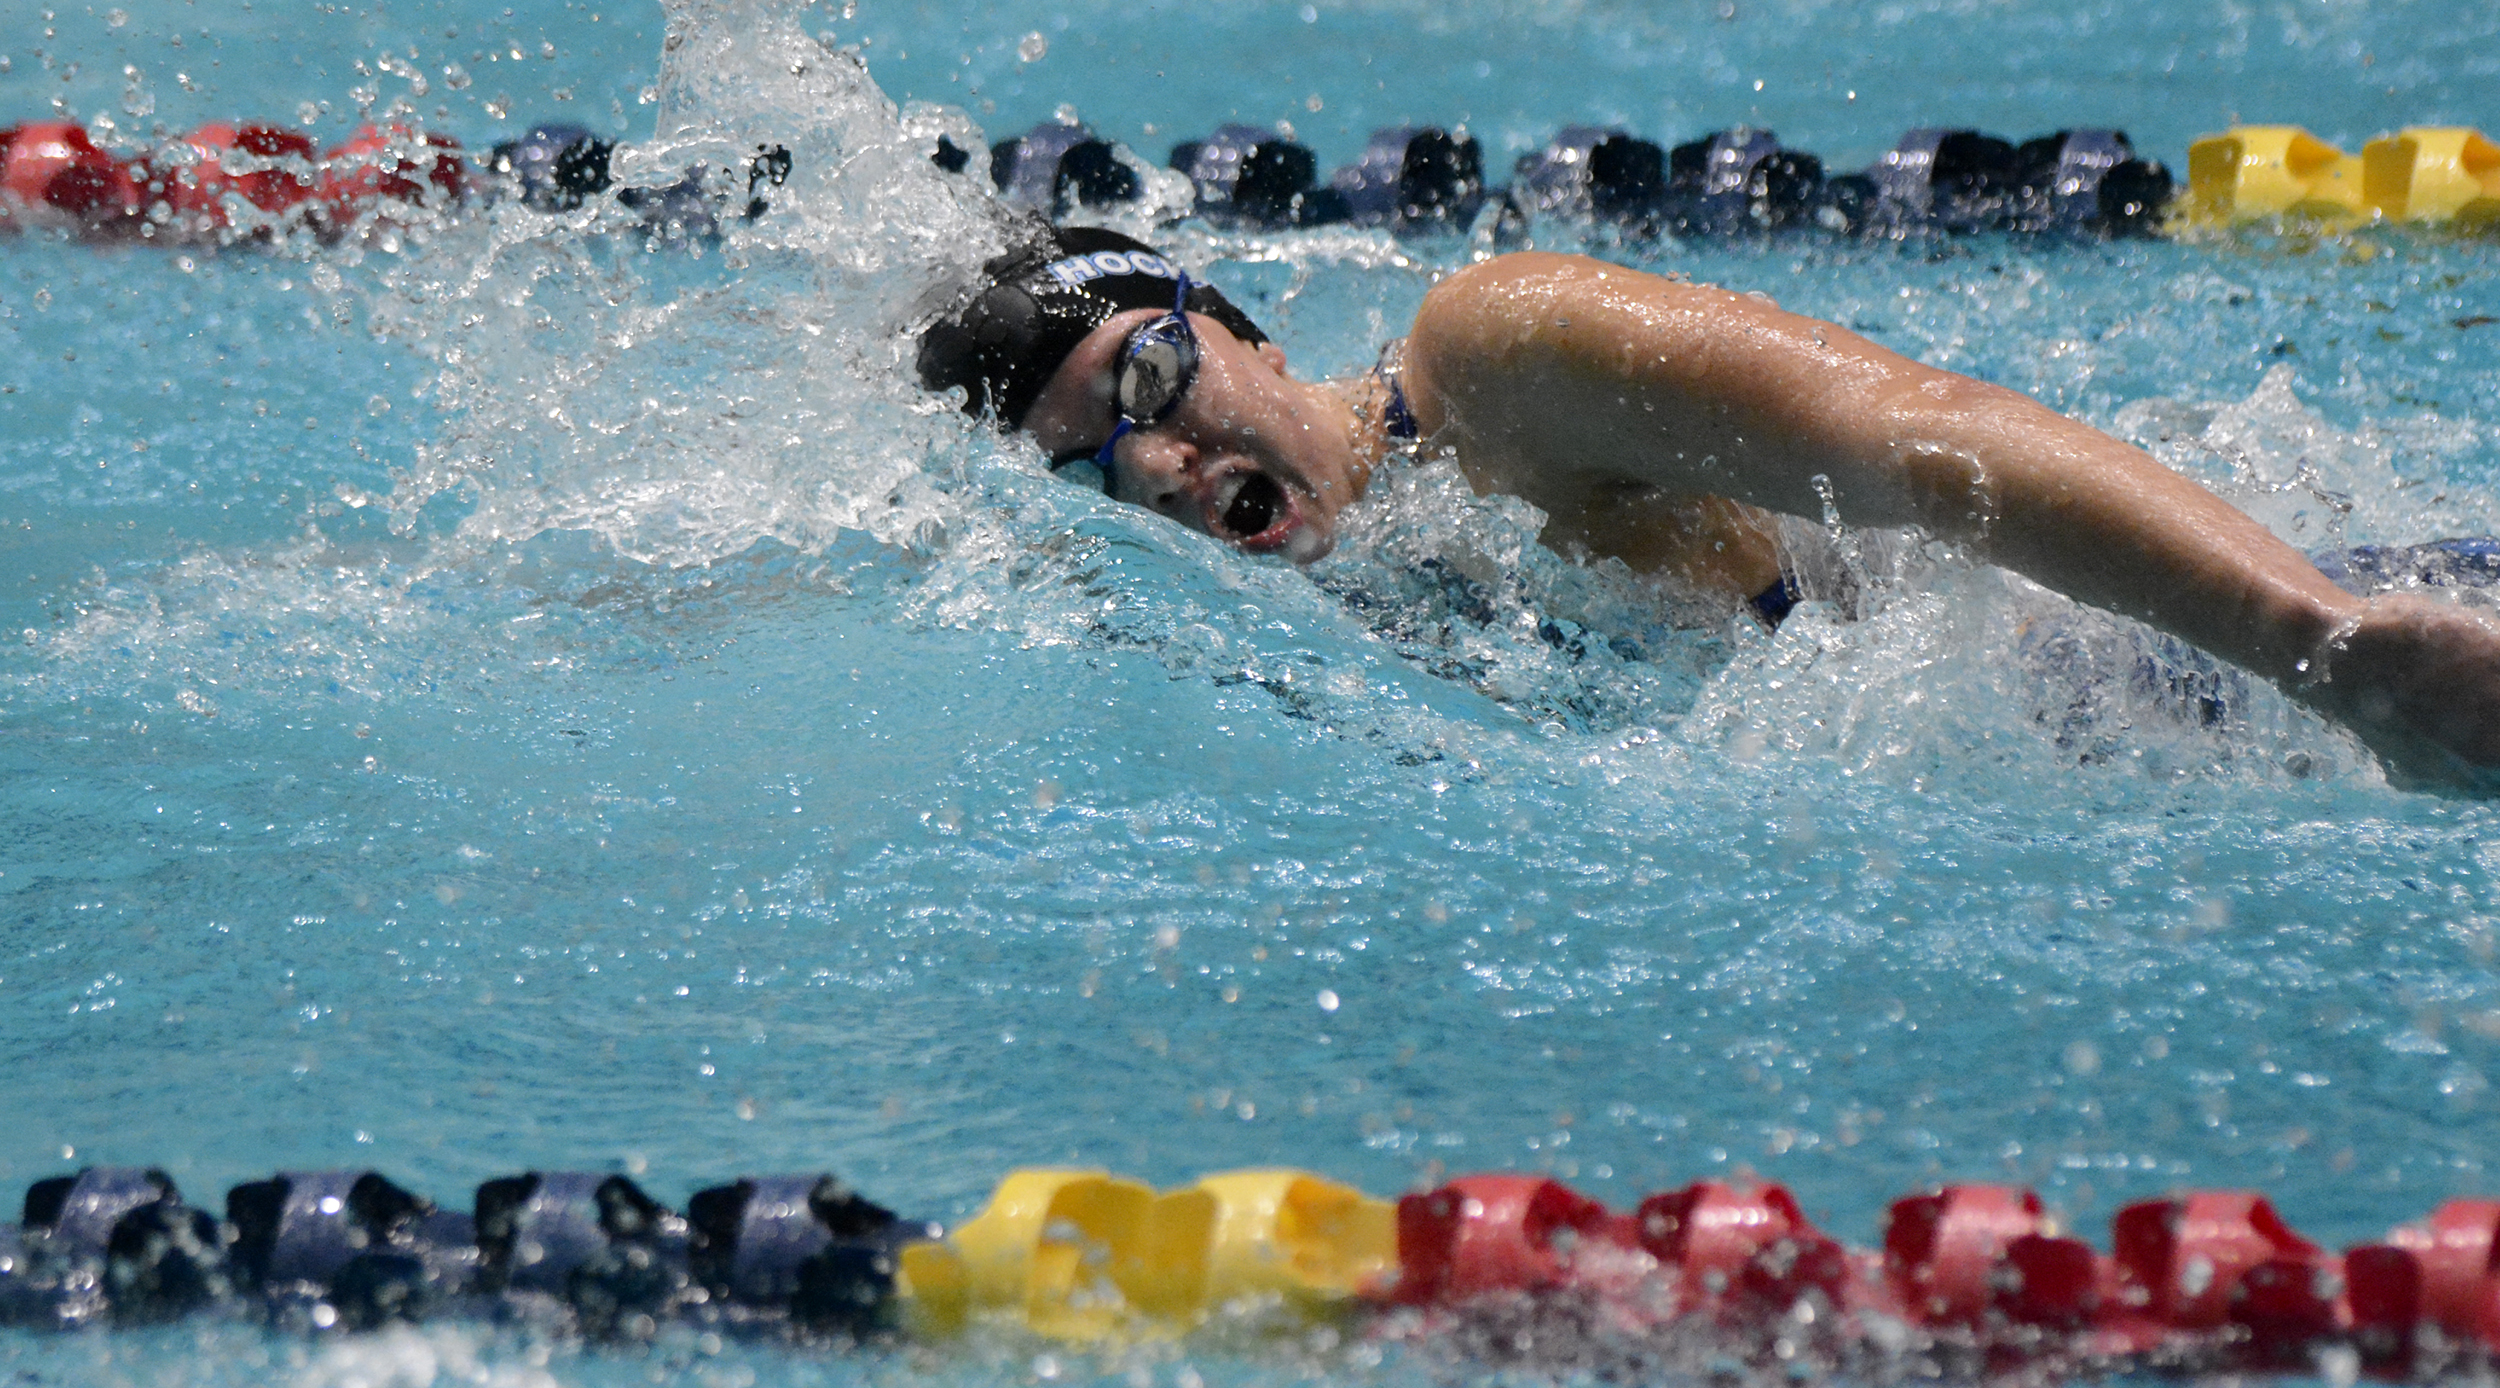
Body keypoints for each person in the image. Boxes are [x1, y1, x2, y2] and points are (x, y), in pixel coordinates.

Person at [917, 222, 2500, 788]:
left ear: (1240, 323)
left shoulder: (1494, 371)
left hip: (2205, 663)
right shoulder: (1278, 620)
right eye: (1098, 465)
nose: (1165, 465)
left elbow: (1927, 437)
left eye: (1149, 384)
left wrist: (2324, 645)